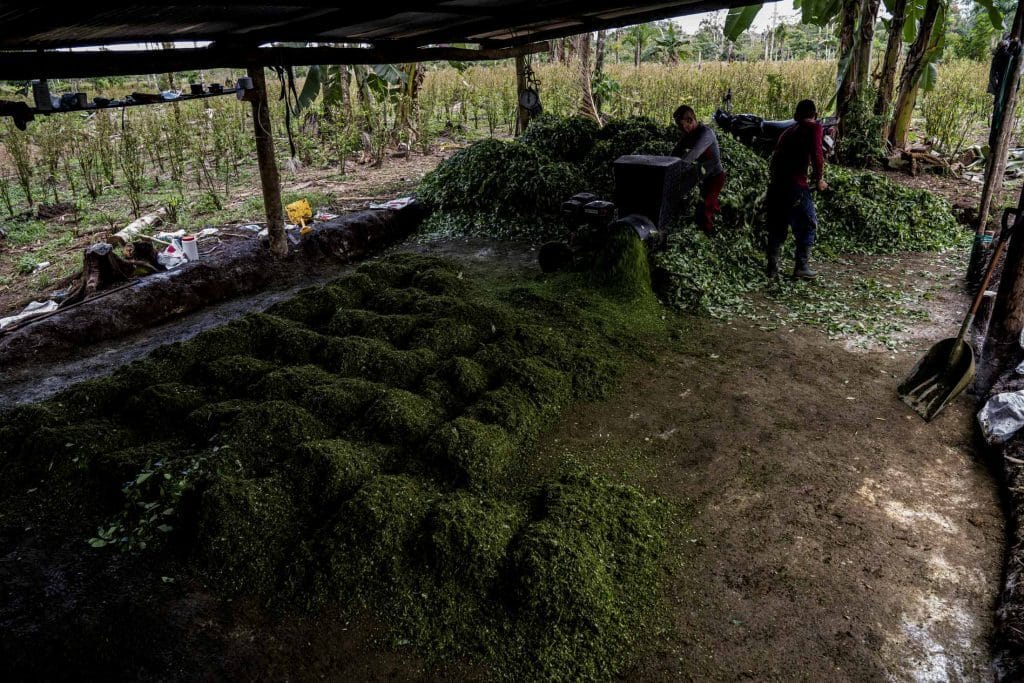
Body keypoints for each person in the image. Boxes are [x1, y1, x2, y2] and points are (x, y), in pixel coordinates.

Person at [765, 99, 828, 279]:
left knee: (778, 226)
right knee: (808, 223)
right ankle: (801, 266)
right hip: (795, 187)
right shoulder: (813, 127)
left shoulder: (787, 132)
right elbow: (817, 155)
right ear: (814, 115)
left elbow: (775, 160)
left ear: (795, 116)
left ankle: (772, 268)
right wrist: (819, 179)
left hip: (776, 187)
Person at [672, 105, 726, 235]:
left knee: (705, 207)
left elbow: (694, 153)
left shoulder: (706, 133)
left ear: (691, 120)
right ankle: (721, 215)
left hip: (716, 177)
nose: (682, 130)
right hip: (703, 176)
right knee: (706, 201)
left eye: (684, 126)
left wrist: (677, 168)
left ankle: (709, 235)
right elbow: (677, 151)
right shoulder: (690, 134)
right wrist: (667, 163)